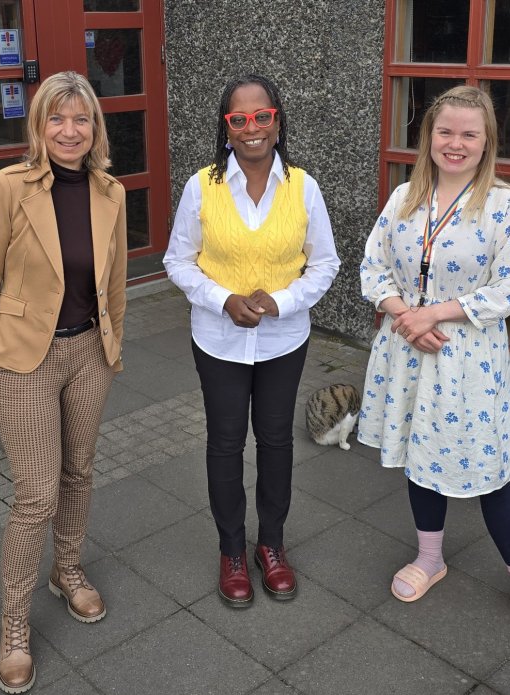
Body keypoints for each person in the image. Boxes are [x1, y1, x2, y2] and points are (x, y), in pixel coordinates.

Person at [357, 85, 510, 649]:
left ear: (486, 142)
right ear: (428, 137)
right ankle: (430, 559)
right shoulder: (404, 197)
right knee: (419, 460)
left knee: (491, 475)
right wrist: (406, 316)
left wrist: (435, 315)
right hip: (407, 349)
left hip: (466, 360)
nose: (455, 143)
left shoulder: (505, 204)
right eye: (444, 131)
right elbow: (372, 268)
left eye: (468, 134)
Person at [0, 71, 127, 693]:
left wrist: (112, 351)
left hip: (87, 353)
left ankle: (69, 570)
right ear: (38, 126)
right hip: (23, 359)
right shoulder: (10, 187)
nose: (69, 130)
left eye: (80, 119)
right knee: (34, 495)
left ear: (95, 128)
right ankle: (14, 627)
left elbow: (113, 282)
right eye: (56, 119)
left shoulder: (111, 191)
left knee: (78, 473)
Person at [164, 74, 340, 607]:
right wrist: (223, 299)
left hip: (284, 339)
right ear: (225, 129)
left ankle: (273, 546)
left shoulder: (304, 187)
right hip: (217, 339)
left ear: (278, 120)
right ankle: (232, 551)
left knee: (277, 442)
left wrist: (280, 302)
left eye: (262, 116)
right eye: (238, 119)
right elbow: (177, 261)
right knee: (224, 444)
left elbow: (326, 264)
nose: (252, 128)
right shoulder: (203, 186)